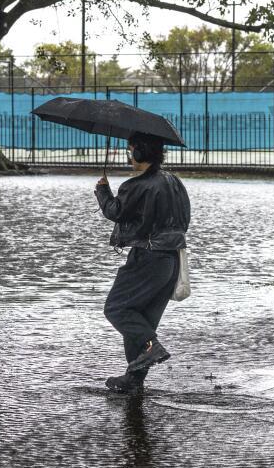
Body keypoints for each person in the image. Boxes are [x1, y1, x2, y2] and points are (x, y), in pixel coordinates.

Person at [94, 132, 191, 393]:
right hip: (171, 261)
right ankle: (134, 381)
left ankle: (152, 346)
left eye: (130, 150)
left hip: (146, 258)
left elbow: (115, 211)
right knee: (142, 320)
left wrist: (102, 191)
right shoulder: (174, 181)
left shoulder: (137, 185)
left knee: (116, 309)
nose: (129, 157)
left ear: (139, 152)